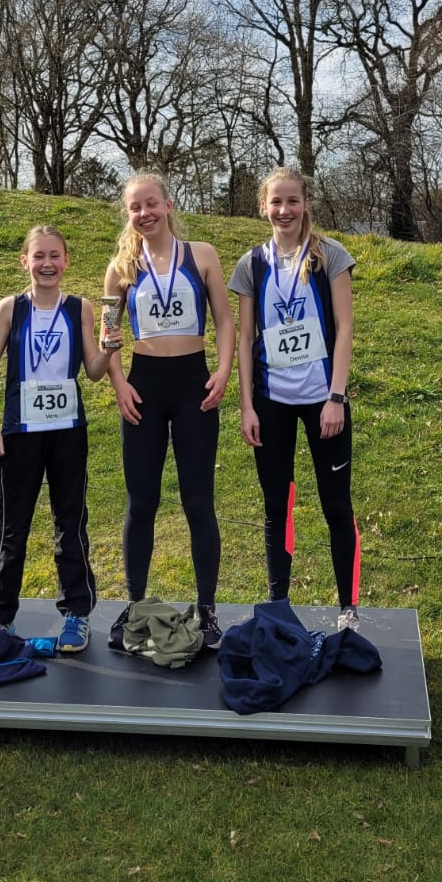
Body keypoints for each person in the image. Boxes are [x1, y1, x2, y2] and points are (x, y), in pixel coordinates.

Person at [102, 174, 236, 651]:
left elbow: (224, 317)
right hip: (143, 389)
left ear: (168, 204)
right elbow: (107, 335)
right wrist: (118, 383)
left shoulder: (202, 255)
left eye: (151, 204)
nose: (145, 214)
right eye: (135, 208)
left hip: (193, 386)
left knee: (199, 502)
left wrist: (223, 371)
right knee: (141, 503)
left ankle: (209, 611)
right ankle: (135, 605)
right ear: (129, 214)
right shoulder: (121, 267)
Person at [228, 167, 361, 630]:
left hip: (323, 399)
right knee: (276, 505)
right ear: (262, 207)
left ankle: (348, 607)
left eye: (292, 201)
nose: (284, 211)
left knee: (336, 505)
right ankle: (278, 605)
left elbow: (344, 329)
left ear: (306, 203)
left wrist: (336, 397)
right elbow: (245, 340)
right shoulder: (251, 264)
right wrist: (246, 405)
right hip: (271, 402)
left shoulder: (331, 255)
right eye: (275, 202)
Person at [0, 224, 119, 652]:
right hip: (20, 432)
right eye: (38, 256)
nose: (47, 264)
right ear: (25, 261)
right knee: (12, 528)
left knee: (70, 524)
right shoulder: (10, 308)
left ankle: (76, 614)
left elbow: (92, 371)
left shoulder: (81, 308)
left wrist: (110, 348)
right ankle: (0, 618)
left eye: (55, 256)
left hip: (67, 432)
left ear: (66, 260)